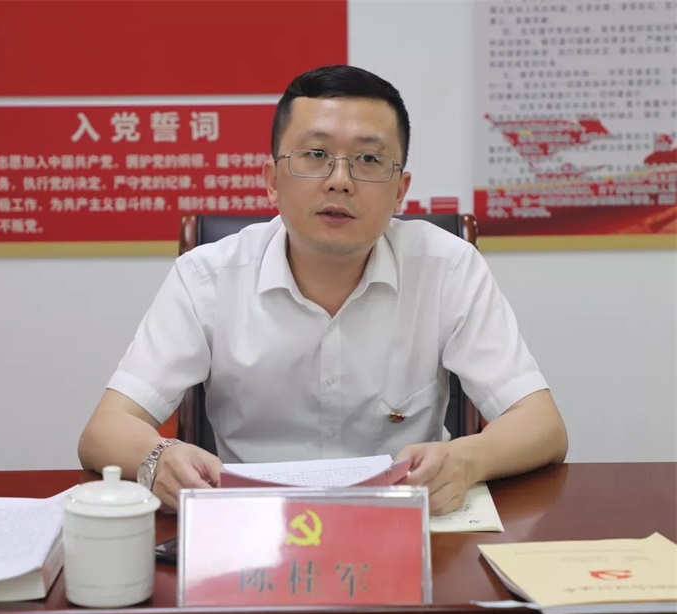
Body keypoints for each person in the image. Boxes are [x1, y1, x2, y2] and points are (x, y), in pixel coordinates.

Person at [78, 65, 568, 514]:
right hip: (254, 525)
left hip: (402, 524)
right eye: (315, 155)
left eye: (369, 159)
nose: (340, 181)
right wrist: (158, 457)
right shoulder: (207, 276)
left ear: (400, 191)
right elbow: (104, 430)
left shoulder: (447, 268)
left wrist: (467, 459)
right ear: (272, 180)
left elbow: (542, 425)